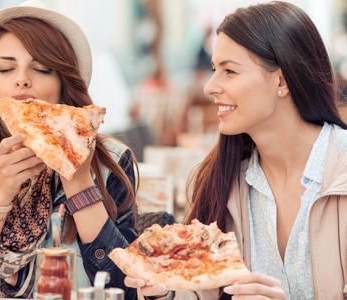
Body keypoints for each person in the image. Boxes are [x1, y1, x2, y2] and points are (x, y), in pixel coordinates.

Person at [125, 1, 347, 299]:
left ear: (281, 80)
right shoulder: (226, 179)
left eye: (229, 71)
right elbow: (201, 290)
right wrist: (163, 293)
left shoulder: (341, 171)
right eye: (215, 69)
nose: (210, 87)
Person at [0, 1, 139, 299]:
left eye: (41, 68)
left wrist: (79, 183)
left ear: (64, 85)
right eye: (5, 68)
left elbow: (130, 289)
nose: (21, 79)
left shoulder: (111, 161)